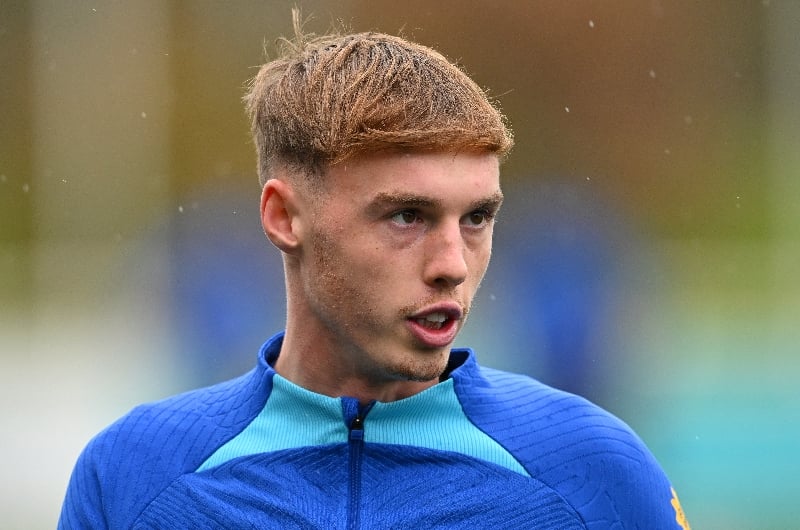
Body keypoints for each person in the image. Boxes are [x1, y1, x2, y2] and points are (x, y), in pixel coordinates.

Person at [59, 15, 691, 530]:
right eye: (407, 216)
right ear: (284, 217)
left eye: (476, 218)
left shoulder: (594, 472)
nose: (451, 265)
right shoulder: (133, 478)